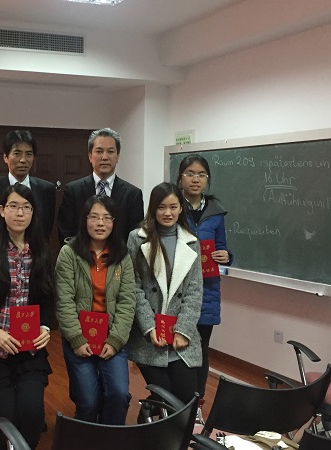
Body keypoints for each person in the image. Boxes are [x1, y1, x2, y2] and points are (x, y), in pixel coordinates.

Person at [0, 183, 54, 450]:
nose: (20, 213)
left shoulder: (41, 251)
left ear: (33, 213)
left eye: (26, 207)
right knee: (7, 418)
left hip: (29, 344)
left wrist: (45, 327)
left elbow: (48, 297)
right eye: (13, 206)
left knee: (33, 416)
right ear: (2, 210)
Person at [55, 195, 136, 425]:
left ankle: (110, 439)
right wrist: (76, 338)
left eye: (107, 218)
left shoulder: (122, 256)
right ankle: (87, 437)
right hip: (79, 337)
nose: (100, 223)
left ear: (114, 222)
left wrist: (116, 339)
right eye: (94, 217)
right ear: (85, 220)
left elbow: (127, 301)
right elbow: (64, 300)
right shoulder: (69, 253)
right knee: (89, 402)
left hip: (112, 337)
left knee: (119, 395)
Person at [126, 182, 203, 415]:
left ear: (181, 208)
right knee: (164, 395)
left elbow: (194, 290)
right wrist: (149, 327)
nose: (167, 213)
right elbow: (133, 287)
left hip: (180, 335)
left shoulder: (192, 242)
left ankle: (154, 418)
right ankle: (149, 422)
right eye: (161, 207)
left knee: (187, 396)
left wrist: (183, 330)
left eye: (173, 207)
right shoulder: (137, 238)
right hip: (149, 337)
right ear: (153, 208)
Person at [177, 154, 233, 415]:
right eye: (190, 173)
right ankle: (175, 402)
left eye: (201, 174)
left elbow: (222, 248)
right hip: (178, 289)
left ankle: (196, 404)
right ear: (180, 178)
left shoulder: (216, 213)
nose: (195, 179)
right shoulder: (172, 207)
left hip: (207, 290)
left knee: (201, 348)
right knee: (178, 346)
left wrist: (226, 256)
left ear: (207, 179)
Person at [57, 128, 144, 245]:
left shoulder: (132, 194)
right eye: (99, 151)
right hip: (80, 255)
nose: (105, 157)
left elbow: (134, 237)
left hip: (120, 256)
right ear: (90, 156)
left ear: (118, 156)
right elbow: (65, 231)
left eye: (110, 151)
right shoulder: (73, 190)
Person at [0, 130, 56, 240]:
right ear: (5, 157)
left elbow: (47, 228)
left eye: (28, 154)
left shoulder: (46, 189)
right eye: (17, 153)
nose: (23, 160)